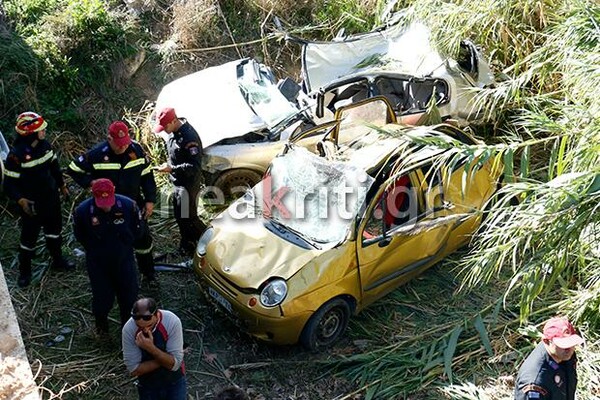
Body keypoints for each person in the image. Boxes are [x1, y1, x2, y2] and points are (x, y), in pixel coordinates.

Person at [68, 120, 158, 282]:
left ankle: (148, 273)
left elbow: (147, 176)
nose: (123, 147)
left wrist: (150, 200)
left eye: (125, 143)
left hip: (134, 205)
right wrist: (90, 183)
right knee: (113, 243)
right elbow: (73, 169)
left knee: (143, 241)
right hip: (107, 207)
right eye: (119, 144)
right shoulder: (97, 154)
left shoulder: (136, 151)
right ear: (109, 139)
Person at [2, 111, 74, 287]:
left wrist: (62, 186)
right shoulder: (15, 156)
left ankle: (58, 261)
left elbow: (55, 168)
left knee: (54, 232)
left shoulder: (46, 146)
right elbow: (9, 185)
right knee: (28, 240)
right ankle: (25, 272)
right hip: (31, 205)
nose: (44, 132)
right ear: (30, 132)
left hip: (51, 199)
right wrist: (21, 200)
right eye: (41, 129)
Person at [73, 178, 141, 333]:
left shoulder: (129, 206)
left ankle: (128, 330)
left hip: (124, 260)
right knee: (102, 300)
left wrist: (124, 243)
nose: (106, 206)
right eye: (102, 202)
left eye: (108, 201)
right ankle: (101, 328)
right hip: (98, 263)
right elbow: (80, 235)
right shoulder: (82, 211)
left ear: (114, 191)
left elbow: (138, 230)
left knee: (129, 297)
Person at [153, 107, 206, 256]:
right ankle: (187, 244)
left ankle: (209, 240)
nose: (164, 130)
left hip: (188, 184)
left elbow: (194, 166)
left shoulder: (189, 138)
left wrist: (172, 168)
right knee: (180, 216)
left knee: (189, 217)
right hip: (177, 182)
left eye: (165, 127)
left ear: (173, 121)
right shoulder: (173, 133)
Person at [122, 298, 186, 400]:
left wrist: (151, 349)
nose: (146, 330)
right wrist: (165, 359)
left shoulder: (172, 321)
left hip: (174, 381)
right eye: (140, 326)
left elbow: (174, 365)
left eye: (149, 325)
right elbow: (133, 370)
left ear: (157, 315)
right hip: (148, 385)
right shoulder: (129, 329)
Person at [514, 316, 585, 400]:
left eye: (571, 343)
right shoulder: (535, 381)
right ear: (546, 341)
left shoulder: (563, 353)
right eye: (563, 344)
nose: (569, 349)